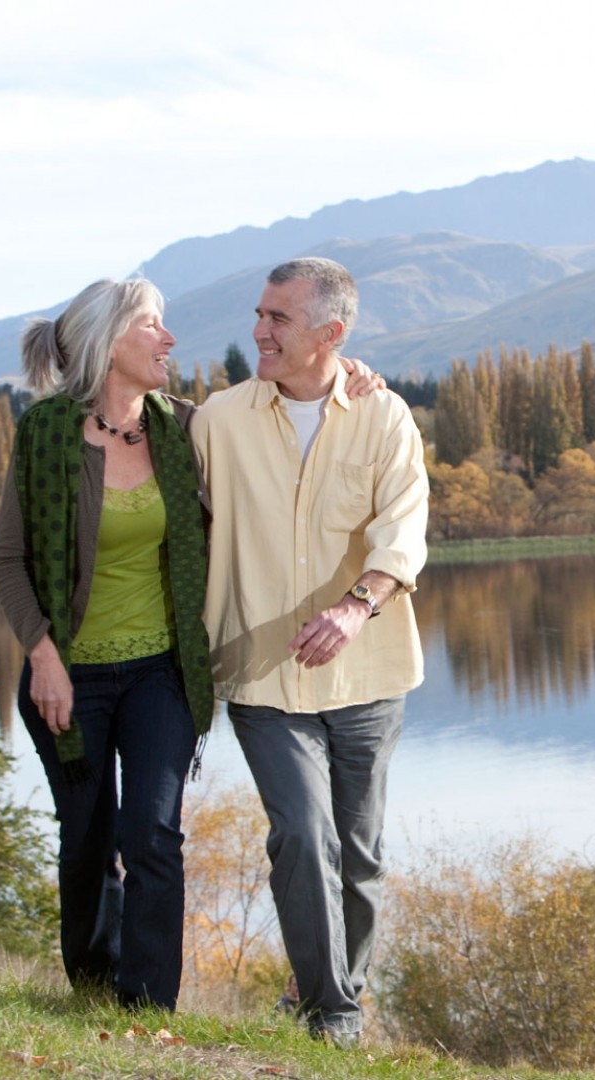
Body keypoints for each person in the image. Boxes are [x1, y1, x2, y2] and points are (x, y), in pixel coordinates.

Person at [190, 257, 429, 1047]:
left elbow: (403, 530)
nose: (259, 330)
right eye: (259, 314)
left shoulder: (383, 414)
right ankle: (334, 1016)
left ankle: (331, 998)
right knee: (301, 834)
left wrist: (359, 606)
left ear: (330, 334)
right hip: (263, 674)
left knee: (359, 852)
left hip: (370, 672)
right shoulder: (217, 421)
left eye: (279, 319)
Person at [0, 278, 213, 1010]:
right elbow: (7, 561)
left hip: (160, 671)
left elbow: (279, 415)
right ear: (108, 342)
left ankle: (149, 1009)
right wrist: (44, 657)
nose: (168, 340)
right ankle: (91, 986)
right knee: (87, 841)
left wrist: (354, 377)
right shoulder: (48, 432)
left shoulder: (184, 428)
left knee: (151, 831)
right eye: (153, 325)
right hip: (69, 678)